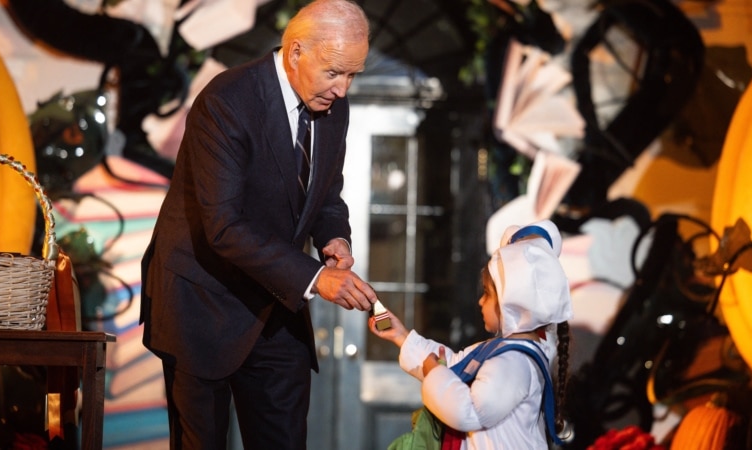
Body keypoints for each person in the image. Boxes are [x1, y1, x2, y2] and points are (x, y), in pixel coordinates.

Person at [139, 1, 377, 448]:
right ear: (295, 53)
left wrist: (334, 236)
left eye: (353, 75)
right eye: (334, 72)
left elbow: (326, 193)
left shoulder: (333, 110)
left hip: (275, 307)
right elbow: (224, 225)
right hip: (201, 304)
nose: (343, 89)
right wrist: (315, 277)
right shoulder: (227, 101)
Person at [370, 219, 573, 449]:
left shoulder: (513, 363)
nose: (480, 301)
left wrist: (434, 372)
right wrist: (401, 337)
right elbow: (455, 365)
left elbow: (469, 412)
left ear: (512, 301)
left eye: (487, 294)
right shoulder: (504, 351)